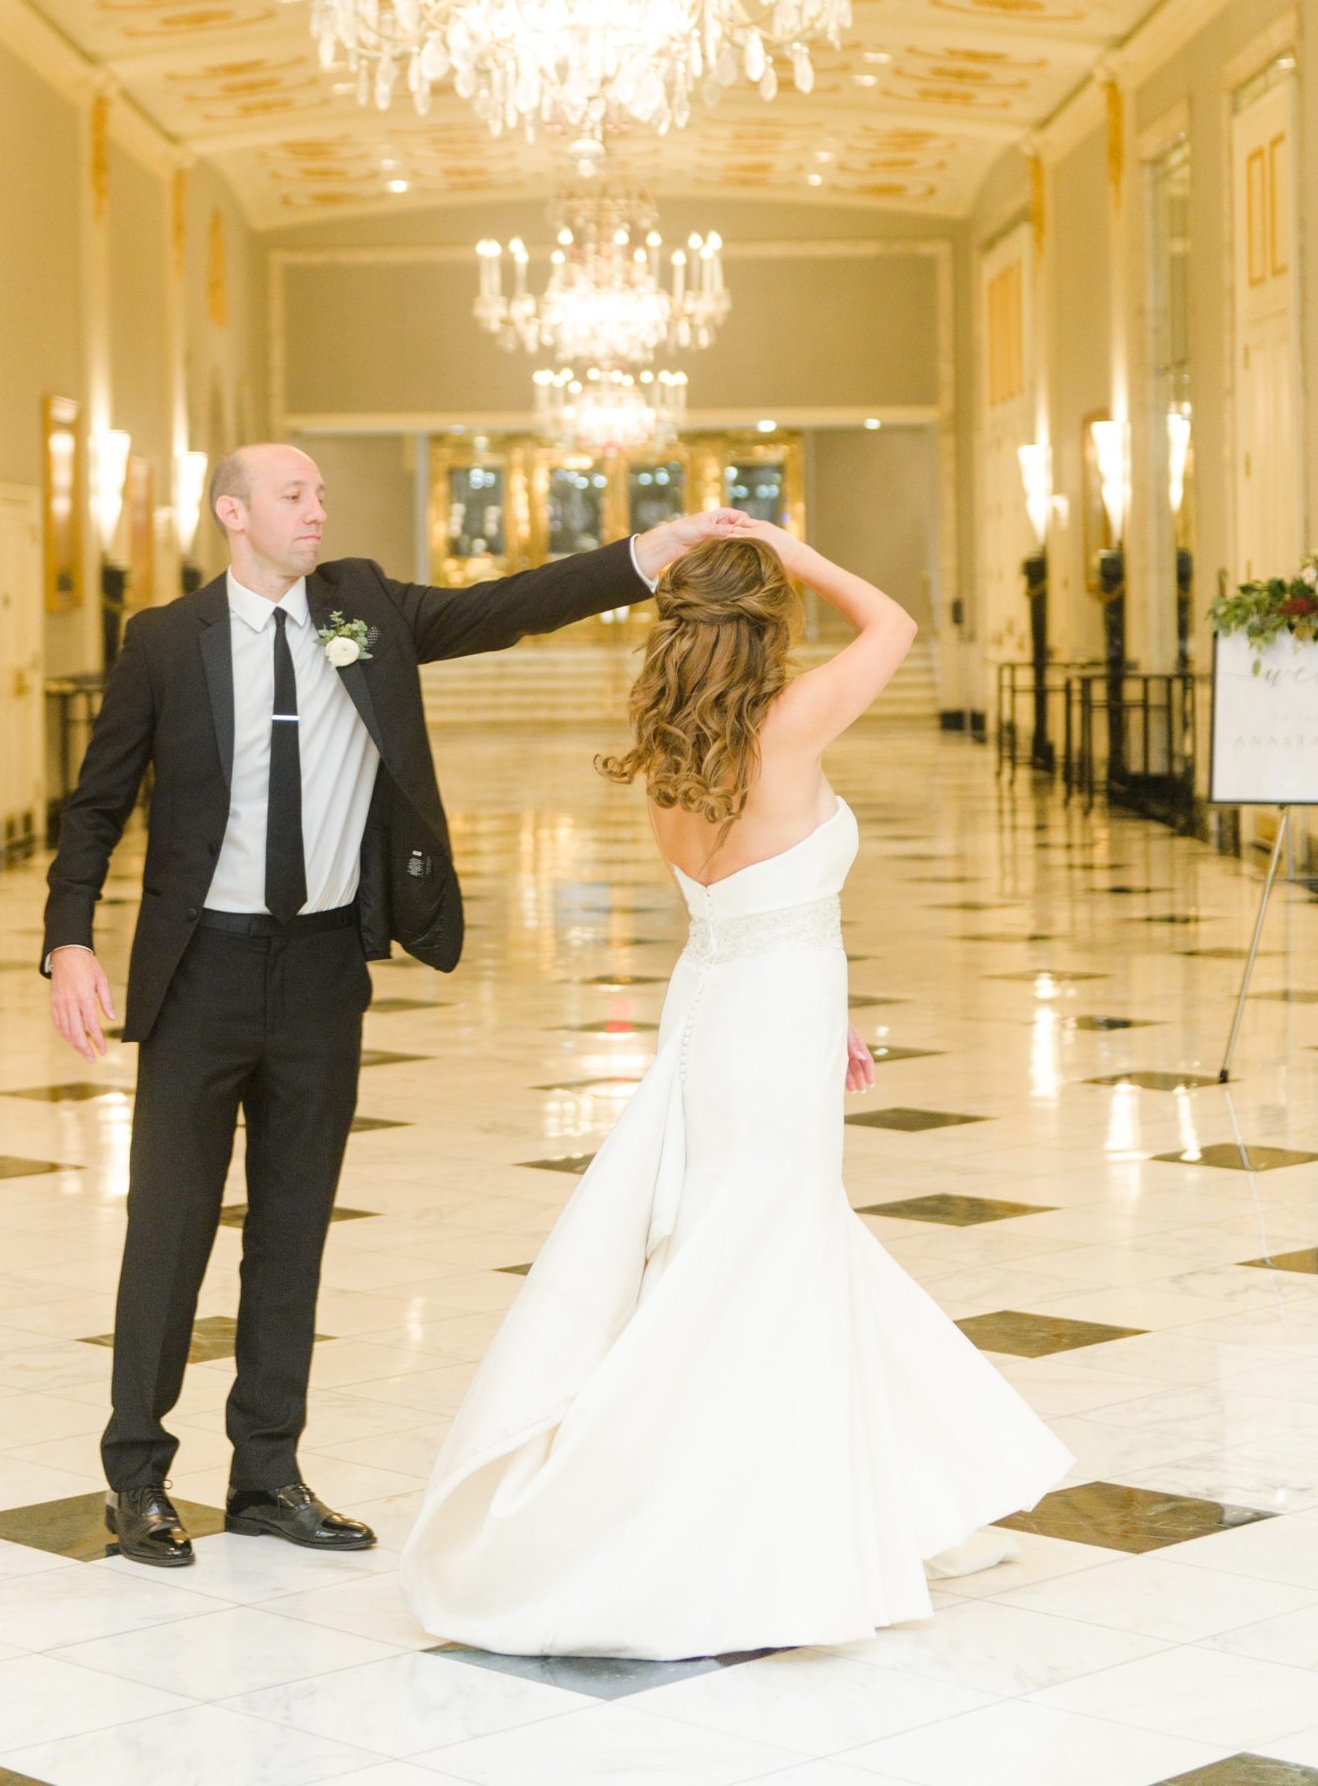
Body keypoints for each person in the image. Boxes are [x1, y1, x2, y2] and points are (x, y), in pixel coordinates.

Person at [42, 442, 759, 1569]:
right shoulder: (162, 644)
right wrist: (70, 940)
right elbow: (93, 806)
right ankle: (137, 1477)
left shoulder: (362, 606)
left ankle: (266, 1472)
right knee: (168, 1227)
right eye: (294, 494)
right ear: (233, 511)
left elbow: (504, 605)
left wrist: (644, 554)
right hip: (199, 974)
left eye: (323, 490)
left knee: (294, 1229)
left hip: (324, 968)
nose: (318, 508)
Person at [401, 523, 1075, 1658]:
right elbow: (896, 625)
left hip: (722, 1005)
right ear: (768, 627)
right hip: (768, 1015)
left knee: (749, 1240)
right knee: (756, 1256)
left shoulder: (668, 746)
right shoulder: (788, 720)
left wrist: (830, 1006)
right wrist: (793, 546)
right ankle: (722, 1526)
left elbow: (736, 905)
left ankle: (857, 1495)